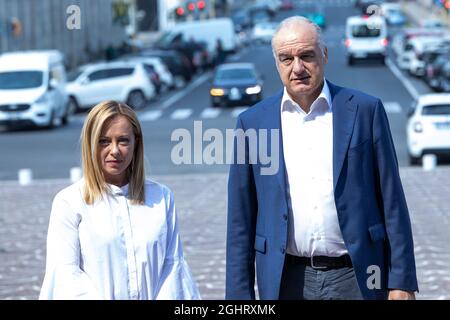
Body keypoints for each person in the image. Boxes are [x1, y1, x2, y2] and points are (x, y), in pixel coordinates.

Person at [226, 16, 418, 300]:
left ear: (325, 55)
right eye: (286, 59)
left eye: (306, 56)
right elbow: (240, 221)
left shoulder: (366, 111)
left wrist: (401, 280)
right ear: (277, 63)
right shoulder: (252, 123)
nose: (297, 68)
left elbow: (392, 200)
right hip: (286, 278)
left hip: (359, 274)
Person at [39, 101, 201, 300]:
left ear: (136, 143)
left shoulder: (162, 198)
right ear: (90, 143)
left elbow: (173, 266)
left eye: (123, 141)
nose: (114, 150)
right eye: (104, 141)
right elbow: (65, 273)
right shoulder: (69, 203)